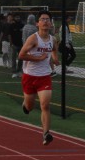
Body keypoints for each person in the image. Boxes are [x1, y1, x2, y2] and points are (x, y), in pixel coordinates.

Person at [17, 11, 59, 145]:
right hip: (29, 76)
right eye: (42, 19)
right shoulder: (33, 39)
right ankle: (25, 105)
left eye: (47, 19)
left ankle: (46, 134)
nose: (45, 21)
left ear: (51, 23)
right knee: (30, 107)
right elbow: (21, 55)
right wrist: (38, 58)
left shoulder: (53, 39)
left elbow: (54, 50)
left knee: (45, 105)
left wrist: (55, 59)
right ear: (37, 23)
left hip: (44, 77)